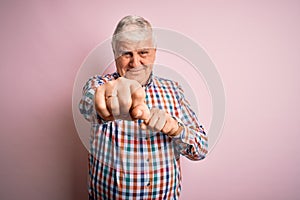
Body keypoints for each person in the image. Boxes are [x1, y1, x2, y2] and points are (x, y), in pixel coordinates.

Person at [79, 15, 208, 200]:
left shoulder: (174, 90)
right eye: (126, 53)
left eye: (143, 52)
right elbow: (87, 105)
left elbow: (201, 149)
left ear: (154, 52)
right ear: (115, 52)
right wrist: (107, 104)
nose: (135, 63)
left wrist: (175, 128)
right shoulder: (99, 85)